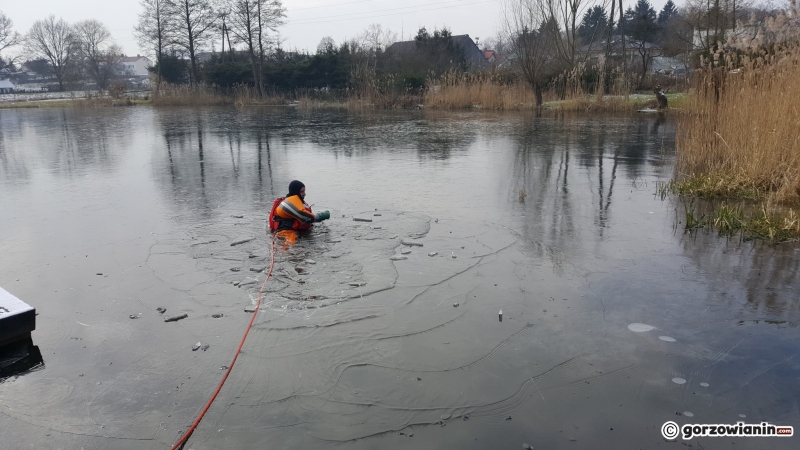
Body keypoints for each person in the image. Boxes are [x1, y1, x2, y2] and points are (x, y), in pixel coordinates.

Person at [269, 180, 330, 245]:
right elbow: (309, 218)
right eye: (302, 192)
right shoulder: (290, 204)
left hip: (297, 231)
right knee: (290, 248)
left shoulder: (297, 202)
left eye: (304, 191)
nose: (305, 194)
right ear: (295, 192)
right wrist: (320, 216)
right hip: (286, 232)